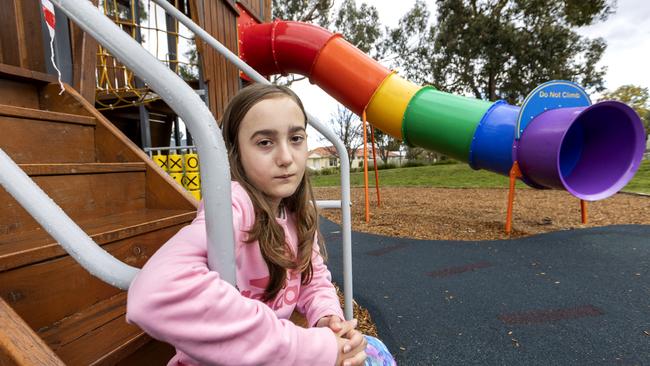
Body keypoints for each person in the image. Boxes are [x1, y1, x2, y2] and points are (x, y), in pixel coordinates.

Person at [127, 84, 395, 366]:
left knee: (373, 352)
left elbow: (312, 278)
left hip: (275, 354)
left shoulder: (295, 211)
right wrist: (306, 348)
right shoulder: (233, 206)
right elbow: (153, 293)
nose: (286, 158)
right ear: (235, 152)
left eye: (296, 138)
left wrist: (327, 316)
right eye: (265, 142)